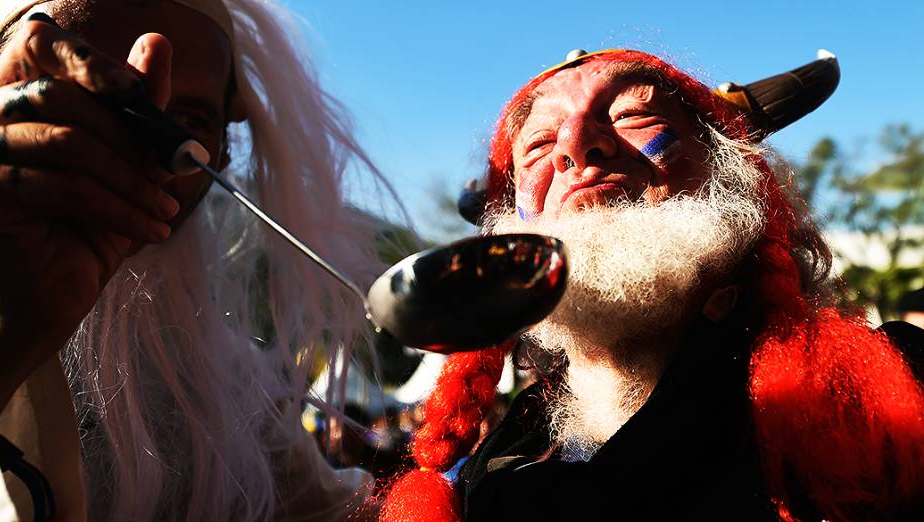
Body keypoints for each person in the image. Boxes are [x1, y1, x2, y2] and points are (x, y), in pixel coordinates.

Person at [382, 49, 924, 521]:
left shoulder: (891, 391)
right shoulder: (500, 465)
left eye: (632, 115)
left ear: (733, 173)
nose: (575, 144)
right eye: (539, 143)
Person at [0, 1, 387, 520]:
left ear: (222, 153)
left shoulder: (230, 389)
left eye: (187, 121)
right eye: (85, 92)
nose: (137, 143)